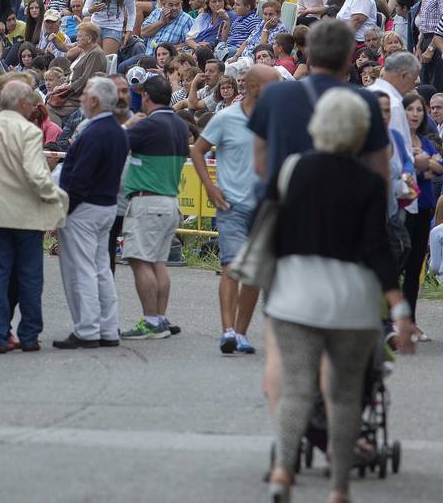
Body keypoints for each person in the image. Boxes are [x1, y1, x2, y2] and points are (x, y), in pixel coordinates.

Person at [266, 89, 414, 503]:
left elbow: (276, 231)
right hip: (352, 299)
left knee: (296, 388)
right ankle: (339, 487)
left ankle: (283, 470)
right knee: (345, 395)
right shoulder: (369, 182)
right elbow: (376, 249)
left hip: (295, 291)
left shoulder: (293, 169)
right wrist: (398, 307)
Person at [0, 77, 67, 354]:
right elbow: (36, 175)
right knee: (30, 275)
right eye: (32, 103)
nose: (35, 107)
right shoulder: (30, 132)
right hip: (27, 214)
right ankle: (30, 333)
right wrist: (57, 198)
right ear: (22, 103)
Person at [192, 64, 278, 355]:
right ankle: (227, 330)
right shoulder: (226, 118)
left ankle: (241, 333)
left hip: (264, 207)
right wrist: (210, 187)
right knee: (231, 266)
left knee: (253, 273)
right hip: (232, 204)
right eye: (272, 86)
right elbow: (197, 150)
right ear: (253, 88)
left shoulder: (275, 120)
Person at [55, 76, 129, 349]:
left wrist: (64, 210)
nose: (82, 98)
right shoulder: (117, 130)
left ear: (95, 101)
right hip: (106, 205)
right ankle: (108, 328)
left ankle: (87, 329)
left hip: (85, 208)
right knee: (100, 268)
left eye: (85, 94)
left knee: (83, 269)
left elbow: (80, 178)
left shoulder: (95, 132)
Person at [118, 77, 191, 340]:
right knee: (158, 262)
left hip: (147, 200)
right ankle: (158, 318)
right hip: (169, 200)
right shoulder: (180, 125)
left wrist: (128, 124)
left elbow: (115, 142)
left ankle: (151, 320)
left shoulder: (148, 124)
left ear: (147, 97)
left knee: (140, 261)